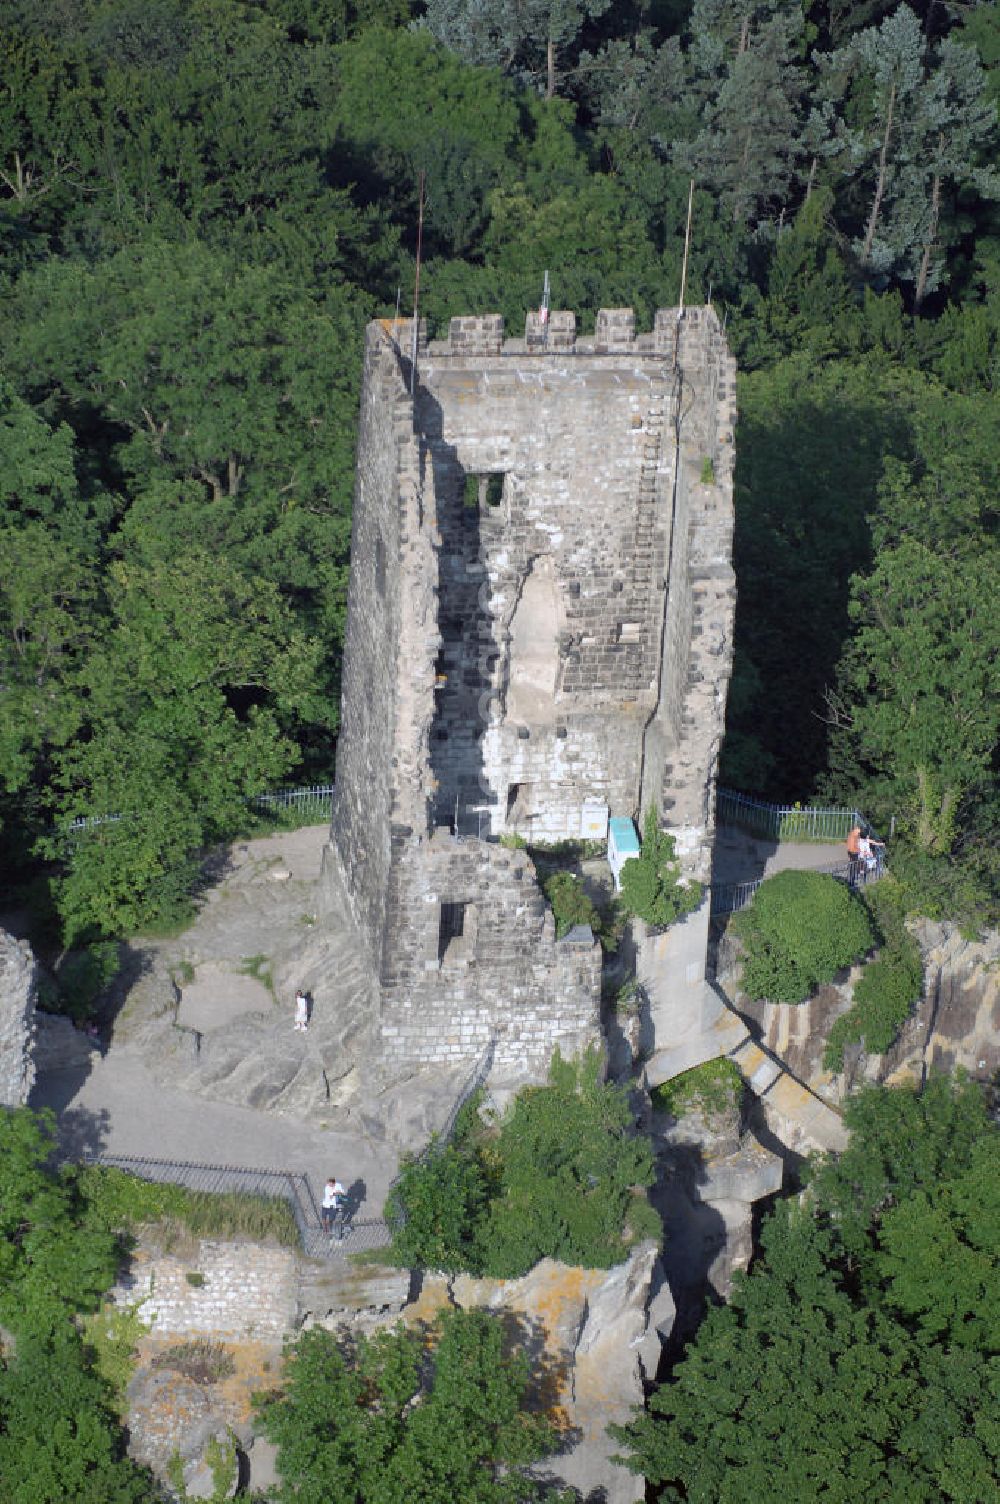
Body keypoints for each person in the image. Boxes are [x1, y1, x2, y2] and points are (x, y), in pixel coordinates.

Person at [321, 1176, 346, 1240]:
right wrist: (336, 1193)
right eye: (328, 1183)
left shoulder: (338, 1185)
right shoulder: (327, 1187)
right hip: (325, 1206)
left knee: (330, 1220)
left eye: (330, 1183)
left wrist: (335, 1193)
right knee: (323, 1219)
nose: (328, 1184)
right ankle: (325, 1231)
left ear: (333, 1183)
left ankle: (329, 1231)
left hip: (332, 1207)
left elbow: (342, 1193)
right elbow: (330, 1196)